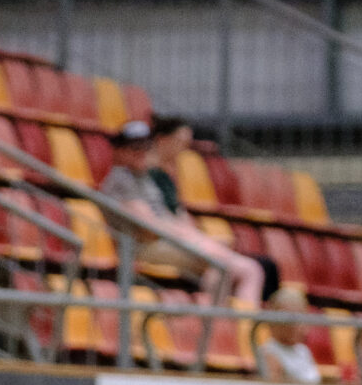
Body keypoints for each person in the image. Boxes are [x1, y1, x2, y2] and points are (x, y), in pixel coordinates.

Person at [100, 116, 269, 310]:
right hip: (144, 248)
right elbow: (150, 229)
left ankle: (221, 323)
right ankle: (222, 322)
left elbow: (168, 221)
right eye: (134, 147)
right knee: (240, 268)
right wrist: (193, 237)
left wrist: (195, 237)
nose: (141, 152)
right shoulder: (121, 180)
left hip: (165, 244)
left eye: (145, 146)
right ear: (118, 150)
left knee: (241, 269)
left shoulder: (143, 179)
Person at [257, 284, 323, 385]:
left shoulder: (303, 351)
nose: (299, 326)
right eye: (292, 321)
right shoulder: (269, 353)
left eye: (302, 318)